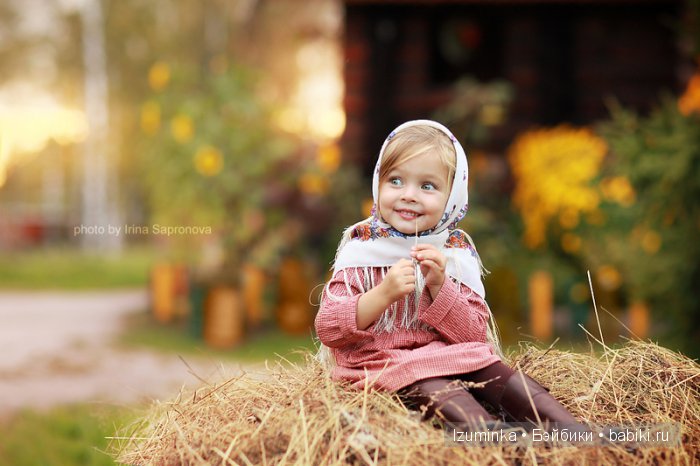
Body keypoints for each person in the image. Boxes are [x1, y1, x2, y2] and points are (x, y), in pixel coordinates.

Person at [314, 119, 584, 432]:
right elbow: (329, 328)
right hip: (380, 363)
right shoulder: (362, 249)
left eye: (427, 186)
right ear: (378, 183)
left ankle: (577, 433)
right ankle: (492, 440)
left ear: (451, 198)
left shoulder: (454, 253)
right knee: (430, 380)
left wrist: (440, 285)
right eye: (396, 181)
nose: (409, 195)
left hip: (448, 356)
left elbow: (473, 335)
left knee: (492, 368)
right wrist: (382, 295)